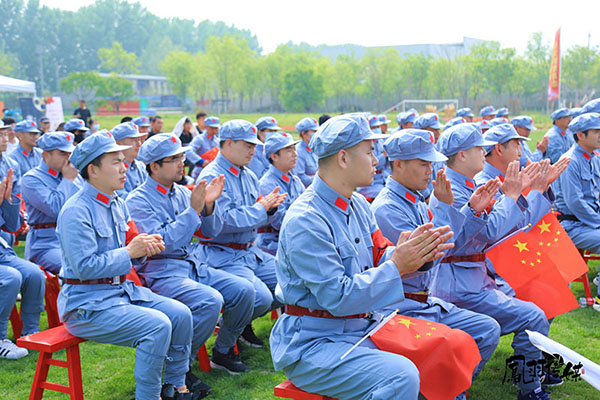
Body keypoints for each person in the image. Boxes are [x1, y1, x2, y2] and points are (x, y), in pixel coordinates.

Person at [270, 113, 455, 399]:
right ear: (343, 158)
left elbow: (380, 254)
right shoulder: (307, 220)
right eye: (369, 152)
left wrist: (417, 254)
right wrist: (398, 266)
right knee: (401, 376)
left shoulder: (356, 203)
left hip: (360, 328)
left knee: (441, 347)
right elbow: (337, 297)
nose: (376, 161)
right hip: (315, 343)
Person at [57, 131, 196, 400]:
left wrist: (143, 249)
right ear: (93, 170)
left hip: (120, 293)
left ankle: (176, 387)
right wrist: (130, 252)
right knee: (157, 326)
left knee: (180, 314)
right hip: (87, 305)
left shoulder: (116, 202)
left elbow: (129, 252)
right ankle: (149, 395)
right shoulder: (76, 210)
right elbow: (85, 267)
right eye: (116, 162)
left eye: (123, 160)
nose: (125, 167)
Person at [432, 123, 565, 400]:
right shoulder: (451, 190)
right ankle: (529, 388)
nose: (484, 152)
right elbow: (489, 231)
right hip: (459, 285)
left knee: (545, 296)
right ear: (461, 155)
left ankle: (531, 371)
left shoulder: (468, 184)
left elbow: (511, 227)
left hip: (477, 276)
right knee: (533, 314)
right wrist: (514, 195)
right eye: (478, 148)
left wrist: (535, 192)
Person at [371, 129, 502, 398]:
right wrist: (443, 206)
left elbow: (452, 243)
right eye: (422, 163)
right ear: (398, 164)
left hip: (425, 302)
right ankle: (442, 391)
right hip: (401, 307)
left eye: (431, 163)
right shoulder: (387, 208)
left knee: (486, 330)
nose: (429, 170)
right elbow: (429, 255)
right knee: (454, 345)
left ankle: (444, 389)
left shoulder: (416, 200)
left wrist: (471, 211)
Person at [128, 134, 254, 385]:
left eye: (182, 156)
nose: (181, 163)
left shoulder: (181, 192)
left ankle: (223, 350)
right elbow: (161, 244)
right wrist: (194, 210)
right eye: (173, 159)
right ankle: (177, 367)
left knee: (244, 291)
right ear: (154, 166)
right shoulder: (138, 199)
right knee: (210, 301)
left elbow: (210, 232)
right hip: (161, 271)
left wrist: (208, 206)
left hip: (192, 263)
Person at [196, 119, 287, 349]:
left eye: (254, 145)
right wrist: (261, 209)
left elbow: (257, 213)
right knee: (261, 297)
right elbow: (223, 222)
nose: (252, 150)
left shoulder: (247, 175)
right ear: (227, 143)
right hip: (222, 253)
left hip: (250, 251)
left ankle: (241, 323)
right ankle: (223, 350)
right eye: (247, 145)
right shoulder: (212, 176)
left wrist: (270, 208)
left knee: (286, 283)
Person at [0, 121, 45, 360]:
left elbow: (13, 225)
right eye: (0, 134)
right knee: (10, 277)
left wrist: (7, 202)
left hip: (2, 243)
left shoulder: (9, 163)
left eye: (4, 132)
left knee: (34, 273)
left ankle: (30, 332)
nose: (5, 137)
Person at [553, 113, 600, 311]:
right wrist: (598, 221)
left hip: (588, 222)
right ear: (581, 135)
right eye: (597, 132)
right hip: (573, 225)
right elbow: (575, 202)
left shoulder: (593, 158)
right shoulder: (570, 161)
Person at [21, 132, 82, 275]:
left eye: (69, 153)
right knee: (75, 268)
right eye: (62, 153)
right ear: (45, 155)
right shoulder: (32, 179)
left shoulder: (73, 175)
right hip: (45, 245)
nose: (68, 158)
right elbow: (56, 209)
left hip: (76, 239)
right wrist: (68, 180)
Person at [257, 133, 303, 255]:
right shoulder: (267, 185)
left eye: (294, 149)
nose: (295, 154)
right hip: (274, 245)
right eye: (289, 150)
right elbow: (279, 222)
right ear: (274, 156)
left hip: (296, 238)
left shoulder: (295, 181)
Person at [111, 122, 148, 198]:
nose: (139, 144)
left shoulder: (141, 166)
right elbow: (122, 198)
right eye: (133, 140)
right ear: (118, 143)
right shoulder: (113, 170)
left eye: (139, 139)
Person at [357, 115, 389, 200]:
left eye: (378, 126)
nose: (377, 129)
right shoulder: (365, 144)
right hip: (371, 183)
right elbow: (370, 164)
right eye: (373, 127)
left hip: (382, 177)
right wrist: (383, 155)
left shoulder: (381, 140)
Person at [291, 117, 318, 187]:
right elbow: (300, 176)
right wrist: (319, 181)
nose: (316, 134)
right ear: (303, 133)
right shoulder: (298, 151)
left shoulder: (315, 148)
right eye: (313, 131)